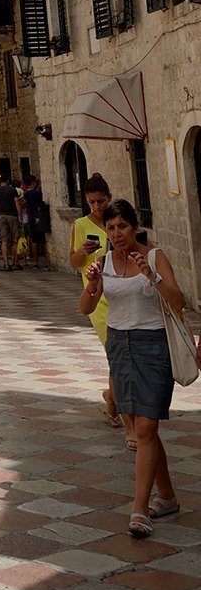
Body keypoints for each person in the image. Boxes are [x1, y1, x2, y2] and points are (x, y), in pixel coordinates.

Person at [80, 198, 184, 537]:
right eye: (110, 228)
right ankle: (166, 495)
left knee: (146, 427)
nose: (116, 233)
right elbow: (85, 307)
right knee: (144, 428)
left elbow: (179, 301)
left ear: (134, 227)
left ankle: (139, 508)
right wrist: (94, 283)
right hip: (119, 345)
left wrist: (150, 276)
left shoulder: (154, 257)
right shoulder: (104, 261)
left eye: (122, 226)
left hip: (153, 347)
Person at [70, 173, 125, 438]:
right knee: (115, 353)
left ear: (109, 198)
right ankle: (116, 405)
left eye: (101, 201)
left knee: (121, 354)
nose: (97, 207)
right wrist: (82, 251)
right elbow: (73, 262)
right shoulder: (80, 225)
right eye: (91, 202)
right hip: (97, 298)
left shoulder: (117, 222)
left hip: (122, 293)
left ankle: (111, 398)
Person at [0, 173, 23, 270]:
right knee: (15, 240)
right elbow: (17, 203)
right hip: (12, 215)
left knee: (4, 240)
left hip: (2, 216)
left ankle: (6, 263)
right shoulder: (12, 190)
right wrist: (20, 216)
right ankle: (16, 261)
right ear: (8, 181)